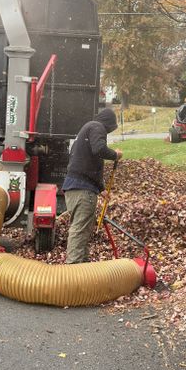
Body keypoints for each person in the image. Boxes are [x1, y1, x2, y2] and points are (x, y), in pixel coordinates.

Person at [61, 107, 123, 263]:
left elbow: (88, 163)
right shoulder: (97, 127)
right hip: (82, 191)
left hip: (74, 187)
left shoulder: (87, 130)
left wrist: (101, 189)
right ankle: (73, 269)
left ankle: (84, 267)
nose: (107, 132)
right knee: (80, 229)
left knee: (83, 228)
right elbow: (99, 149)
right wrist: (115, 155)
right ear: (108, 124)